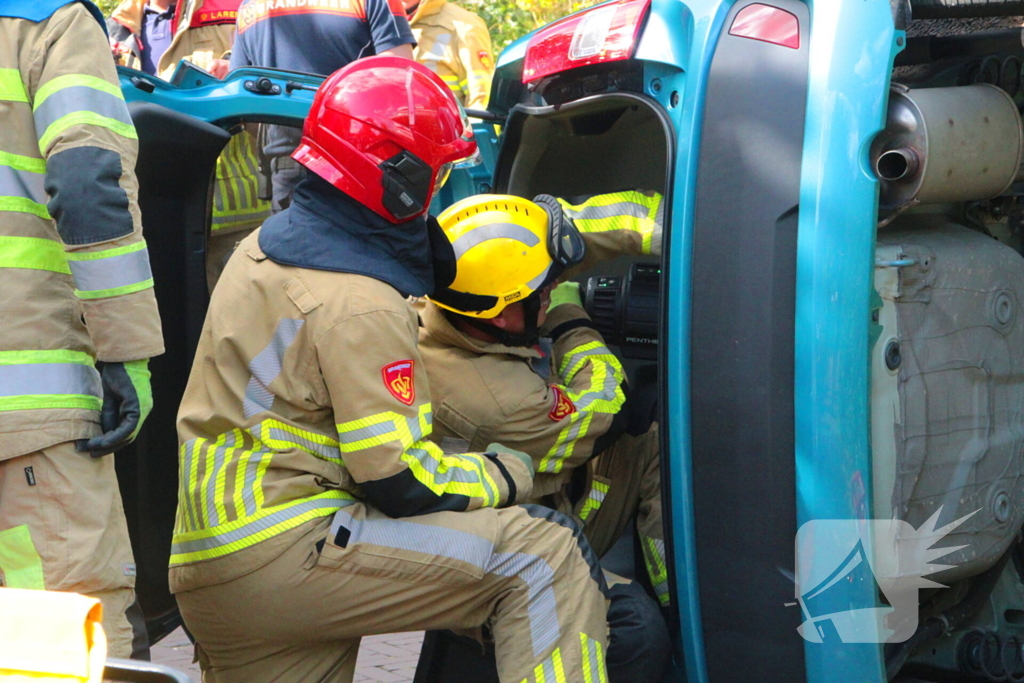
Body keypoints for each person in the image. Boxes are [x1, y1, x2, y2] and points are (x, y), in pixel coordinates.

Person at [170, 57, 610, 682]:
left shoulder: (262, 247)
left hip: (211, 564)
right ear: (398, 179)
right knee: (545, 554)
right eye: (435, 172)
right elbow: (401, 480)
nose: (437, 188)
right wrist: (507, 472)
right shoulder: (363, 303)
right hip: (291, 551)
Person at [420, 192, 669, 680]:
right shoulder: (491, 402)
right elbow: (604, 404)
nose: (554, 285)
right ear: (500, 315)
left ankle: (680, 598)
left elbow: (577, 223)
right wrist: (569, 316)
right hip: (493, 556)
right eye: (543, 287)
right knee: (636, 630)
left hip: (537, 494)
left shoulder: (460, 278)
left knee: (652, 425)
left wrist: (692, 230)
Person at [0, 0, 164, 660]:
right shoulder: (49, 21)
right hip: (28, 408)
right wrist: (126, 352)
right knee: (59, 639)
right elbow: (86, 179)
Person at [109, 0, 270, 289]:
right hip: (151, 208)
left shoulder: (232, 10)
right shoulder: (118, 27)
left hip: (228, 209)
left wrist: (235, 71)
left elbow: (267, 82)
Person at [229, 0, 416, 214]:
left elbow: (243, 97)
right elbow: (399, 77)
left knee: (293, 243)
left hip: (288, 156)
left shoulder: (250, 6)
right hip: (360, 156)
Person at [403, 0, 495, 110]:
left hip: (445, 124)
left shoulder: (463, 26)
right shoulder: (383, 24)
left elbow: (482, 96)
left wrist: (476, 126)